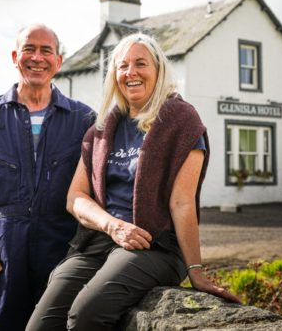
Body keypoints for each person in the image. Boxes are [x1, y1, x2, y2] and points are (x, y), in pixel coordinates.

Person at [26, 33, 240, 330]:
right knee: (41, 325)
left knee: (85, 315)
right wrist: (112, 225)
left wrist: (195, 270)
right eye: (123, 66)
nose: (131, 72)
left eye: (141, 63)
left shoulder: (182, 121)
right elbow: (75, 197)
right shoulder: (102, 128)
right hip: (100, 240)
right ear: (114, 75)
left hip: (154, 246)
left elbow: (182, 203)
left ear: (158, 70)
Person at [0, 24, 94, 330]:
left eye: (46, 50)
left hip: (62, 252)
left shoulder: (84, 120)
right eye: (29, 49)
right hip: (2, 254)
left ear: (59, 61)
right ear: (15, 57)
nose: (37, 58)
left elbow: (100, 189)